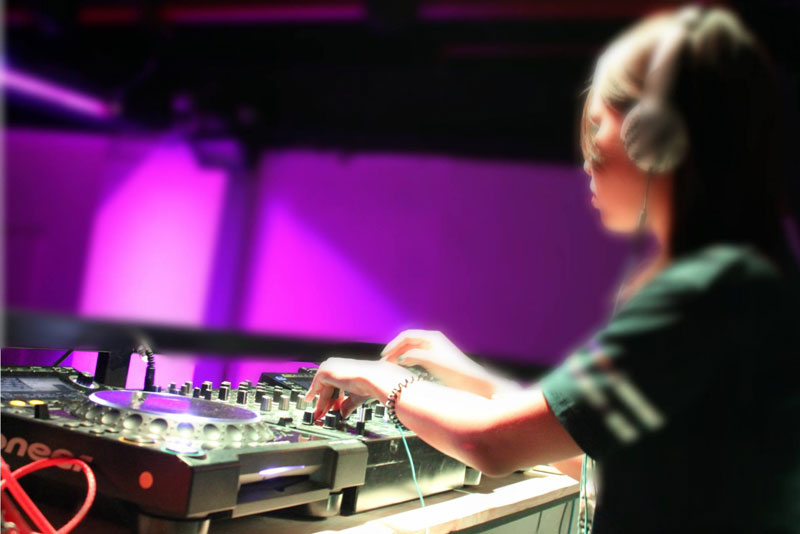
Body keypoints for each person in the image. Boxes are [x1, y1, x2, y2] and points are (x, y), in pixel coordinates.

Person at [304, 5, 800, 533]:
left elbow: (490, 444)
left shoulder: (706, 291)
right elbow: (594, 461)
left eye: (597, 128)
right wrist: (478, 383)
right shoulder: (743, 277)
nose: (587, 160)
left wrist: (386, 380)